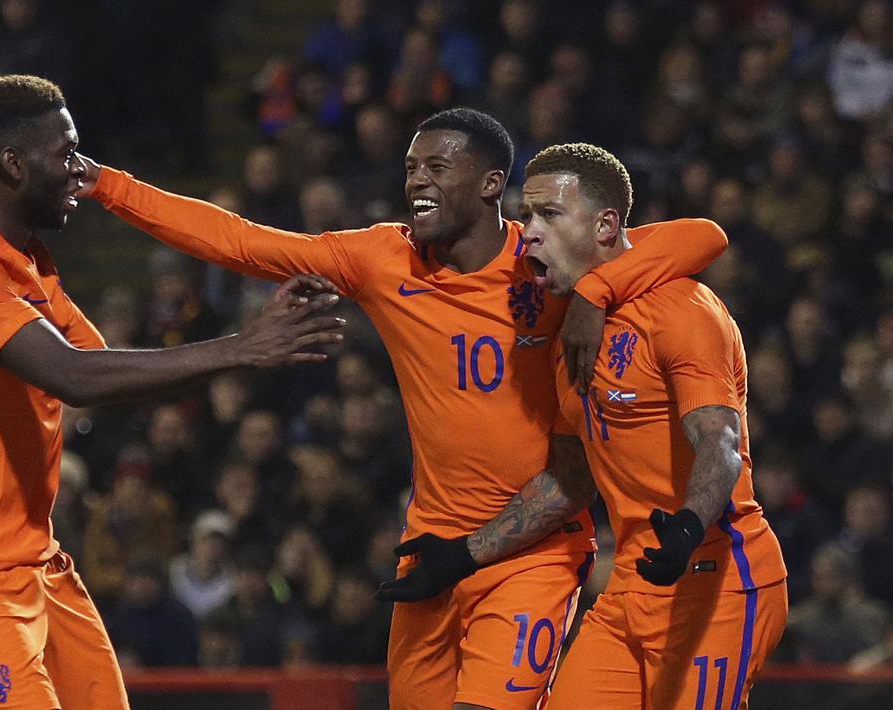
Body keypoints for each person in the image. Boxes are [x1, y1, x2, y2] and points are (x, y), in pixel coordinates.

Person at [79, 107, 728, 709]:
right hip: (429, 547)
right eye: (410, 169)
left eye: (436, 168)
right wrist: (107, 185)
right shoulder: (381, 259)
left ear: (489, 184)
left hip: (532, 550)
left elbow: (699, 236)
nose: (416, 181)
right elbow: (241, 242)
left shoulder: (546, 263)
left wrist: (594, 291)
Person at [0, 74, 345, 710]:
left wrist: (239, 343)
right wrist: (242, 347)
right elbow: (73, 375)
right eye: (65, 152)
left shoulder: (28, 261)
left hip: (32, 559)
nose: (79, 169)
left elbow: (102, 371)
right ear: (13, 166)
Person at [463, 143, 787, 708]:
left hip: (717, 576)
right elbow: (571, 481)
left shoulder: (682, 309)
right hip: (631, 585)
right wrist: (464, 552)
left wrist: (687, 526)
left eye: (550, 214)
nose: (529, 232)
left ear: (607, 224)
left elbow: (720, 444)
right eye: (526, 215)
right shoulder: (569, 336)